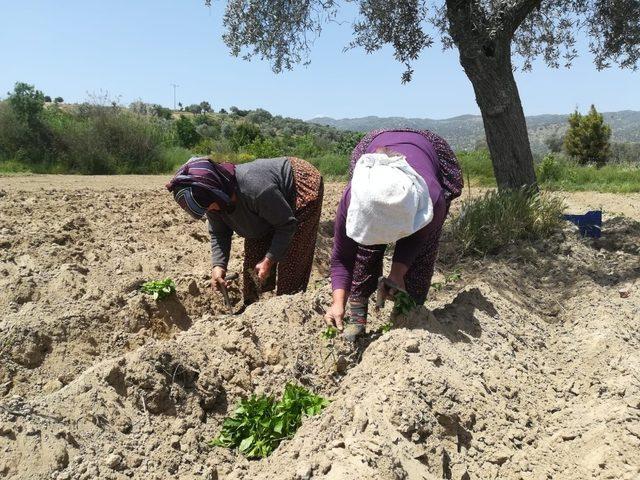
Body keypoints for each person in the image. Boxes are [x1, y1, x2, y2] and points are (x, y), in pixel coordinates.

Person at [325, 129, 463, 340]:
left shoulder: (432, 201)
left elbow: (417, 240)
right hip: (375, 142)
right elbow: (343, 257)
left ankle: (408, 318)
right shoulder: (353, 198)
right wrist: (337, 303)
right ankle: (357, 317)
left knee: (421, 260)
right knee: (367, 248)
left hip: (428, 149)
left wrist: (397, 274)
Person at [167, 156, 324, 305]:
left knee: (292, 257)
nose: (209, 210)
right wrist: (218, 266)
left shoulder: (255, 190)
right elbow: (219, 233)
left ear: (217, 193)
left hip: (300, 183)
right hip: (266, 204)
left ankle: (290, 304)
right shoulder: (212, 198)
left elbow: (287, 225)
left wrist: (269, 259)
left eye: (209, 206)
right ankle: (251, 305)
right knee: (254, 256)